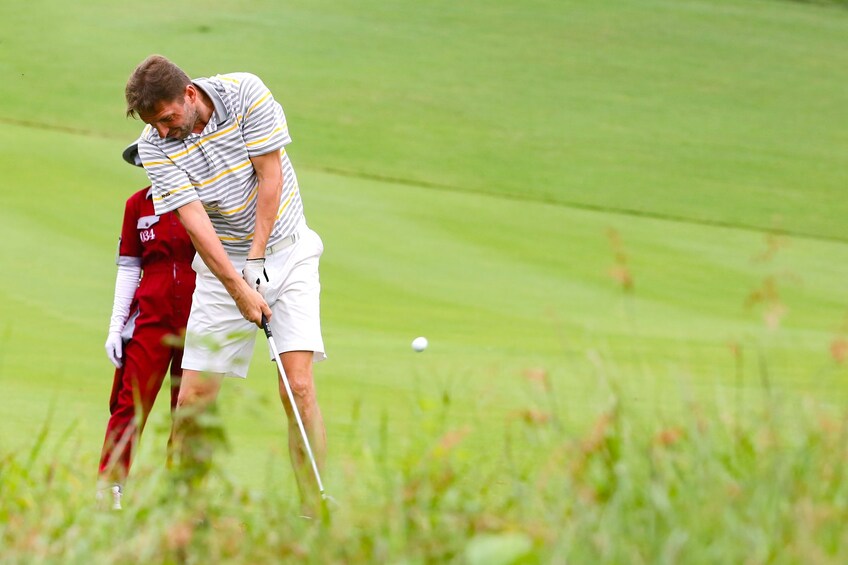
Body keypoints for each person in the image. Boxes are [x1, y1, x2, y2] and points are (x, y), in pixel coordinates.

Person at [124, 55, 328, 514]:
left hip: (289, 253)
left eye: (168, 119)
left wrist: (257, 259)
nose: (162, 131)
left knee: (297, 387)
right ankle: (179, 515)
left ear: (190, 95)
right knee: (194, 396)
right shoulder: (156, 147)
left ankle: (315, 509)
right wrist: (238, 283)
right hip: (223, 270)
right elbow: (195, 220)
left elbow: (269, 175)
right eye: (153, 124)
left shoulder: (245, 92)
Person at [98, 141, 197, 509]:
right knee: (131, 403)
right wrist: (115, 326)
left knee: (187, 407)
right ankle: (110, 487)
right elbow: (128, 268)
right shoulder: (137, 205)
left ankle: (180, 495)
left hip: (198, 315)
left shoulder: (201, 198)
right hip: (150, 318)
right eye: (147, 161)